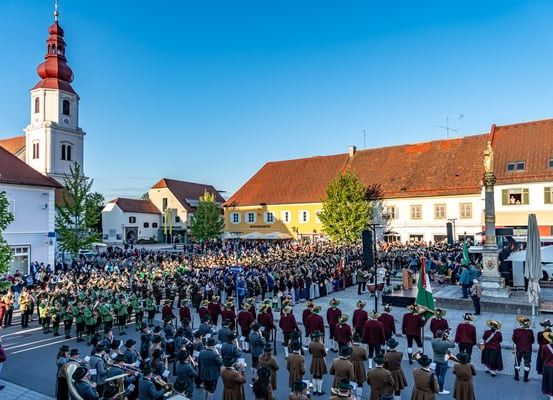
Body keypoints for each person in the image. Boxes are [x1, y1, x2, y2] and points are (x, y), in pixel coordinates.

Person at [431, 329, 455, 394]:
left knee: (436, 374)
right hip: (443, 361)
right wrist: (447, 338)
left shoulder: (433, 341)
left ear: (436, 334)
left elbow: (434, 338)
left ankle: (435, 387)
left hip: (435, 360)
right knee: (442, 376)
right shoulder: (445, 343)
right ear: (442, 335)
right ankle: (441, 390)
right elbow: (453, 345)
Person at [512, 315, 535, 382]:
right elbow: (532, 341)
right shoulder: (530, 331)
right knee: (527, 363)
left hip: (519, 348)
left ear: (520, 323)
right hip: (528, 349)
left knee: (517, 362)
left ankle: (516, 376)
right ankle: (525, 378)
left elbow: (514, 340)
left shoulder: (516, 330)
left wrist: (518, 343)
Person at [308, 331, 327, 396]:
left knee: (314, 375)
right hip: (320, 360)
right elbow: (325, 354)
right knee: (320, 376)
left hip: (314, 360)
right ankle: (319, 391)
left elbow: (310, 352)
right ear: (319, 337)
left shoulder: (310, 344)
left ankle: (314, 390)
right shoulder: (321, 345)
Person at [349, 333, 367, 399]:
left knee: (351, 381)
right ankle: (359, 398)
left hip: (350, 365)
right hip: (360, 366)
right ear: (359, 341)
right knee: (360, 382)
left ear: (353, 340)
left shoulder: (349, 348)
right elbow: (365, 358)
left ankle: (351, 397)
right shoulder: (362, 350)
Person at [541, 331, 553, 400]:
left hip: (548, 367)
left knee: (549, 381)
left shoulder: (545, 347)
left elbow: (542, 357)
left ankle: (551, 395)